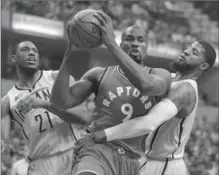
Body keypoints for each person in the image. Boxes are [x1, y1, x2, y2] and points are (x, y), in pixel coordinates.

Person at [46, 11, 172, 175]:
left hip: (134, 161)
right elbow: (59, 102)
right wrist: (70, 54)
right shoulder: (99, 74)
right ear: (121, 43)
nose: (135, 43)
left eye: (141, 40)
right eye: (129, 39)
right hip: (97, 149)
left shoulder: (160, 74)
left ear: (146, 47)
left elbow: (147, 86)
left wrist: (111, 44)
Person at [82, 41, 216, 175]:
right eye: (189, 47)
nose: (186, 51)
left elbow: (148, 123)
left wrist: (101, 135)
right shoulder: (169, 78)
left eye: (194, 52)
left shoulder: (185, 89)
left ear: (203, 65)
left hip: (164, 165)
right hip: (147, 159)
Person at [1, 41, 92, 175]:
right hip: (40, 164)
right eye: (25, 50)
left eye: (35, 51)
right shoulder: (7, 101)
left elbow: (84, 117)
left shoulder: (57, 78)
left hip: (71, 153)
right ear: (13, 58)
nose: (31, 53)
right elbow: (3, 138)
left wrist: (45, 104)